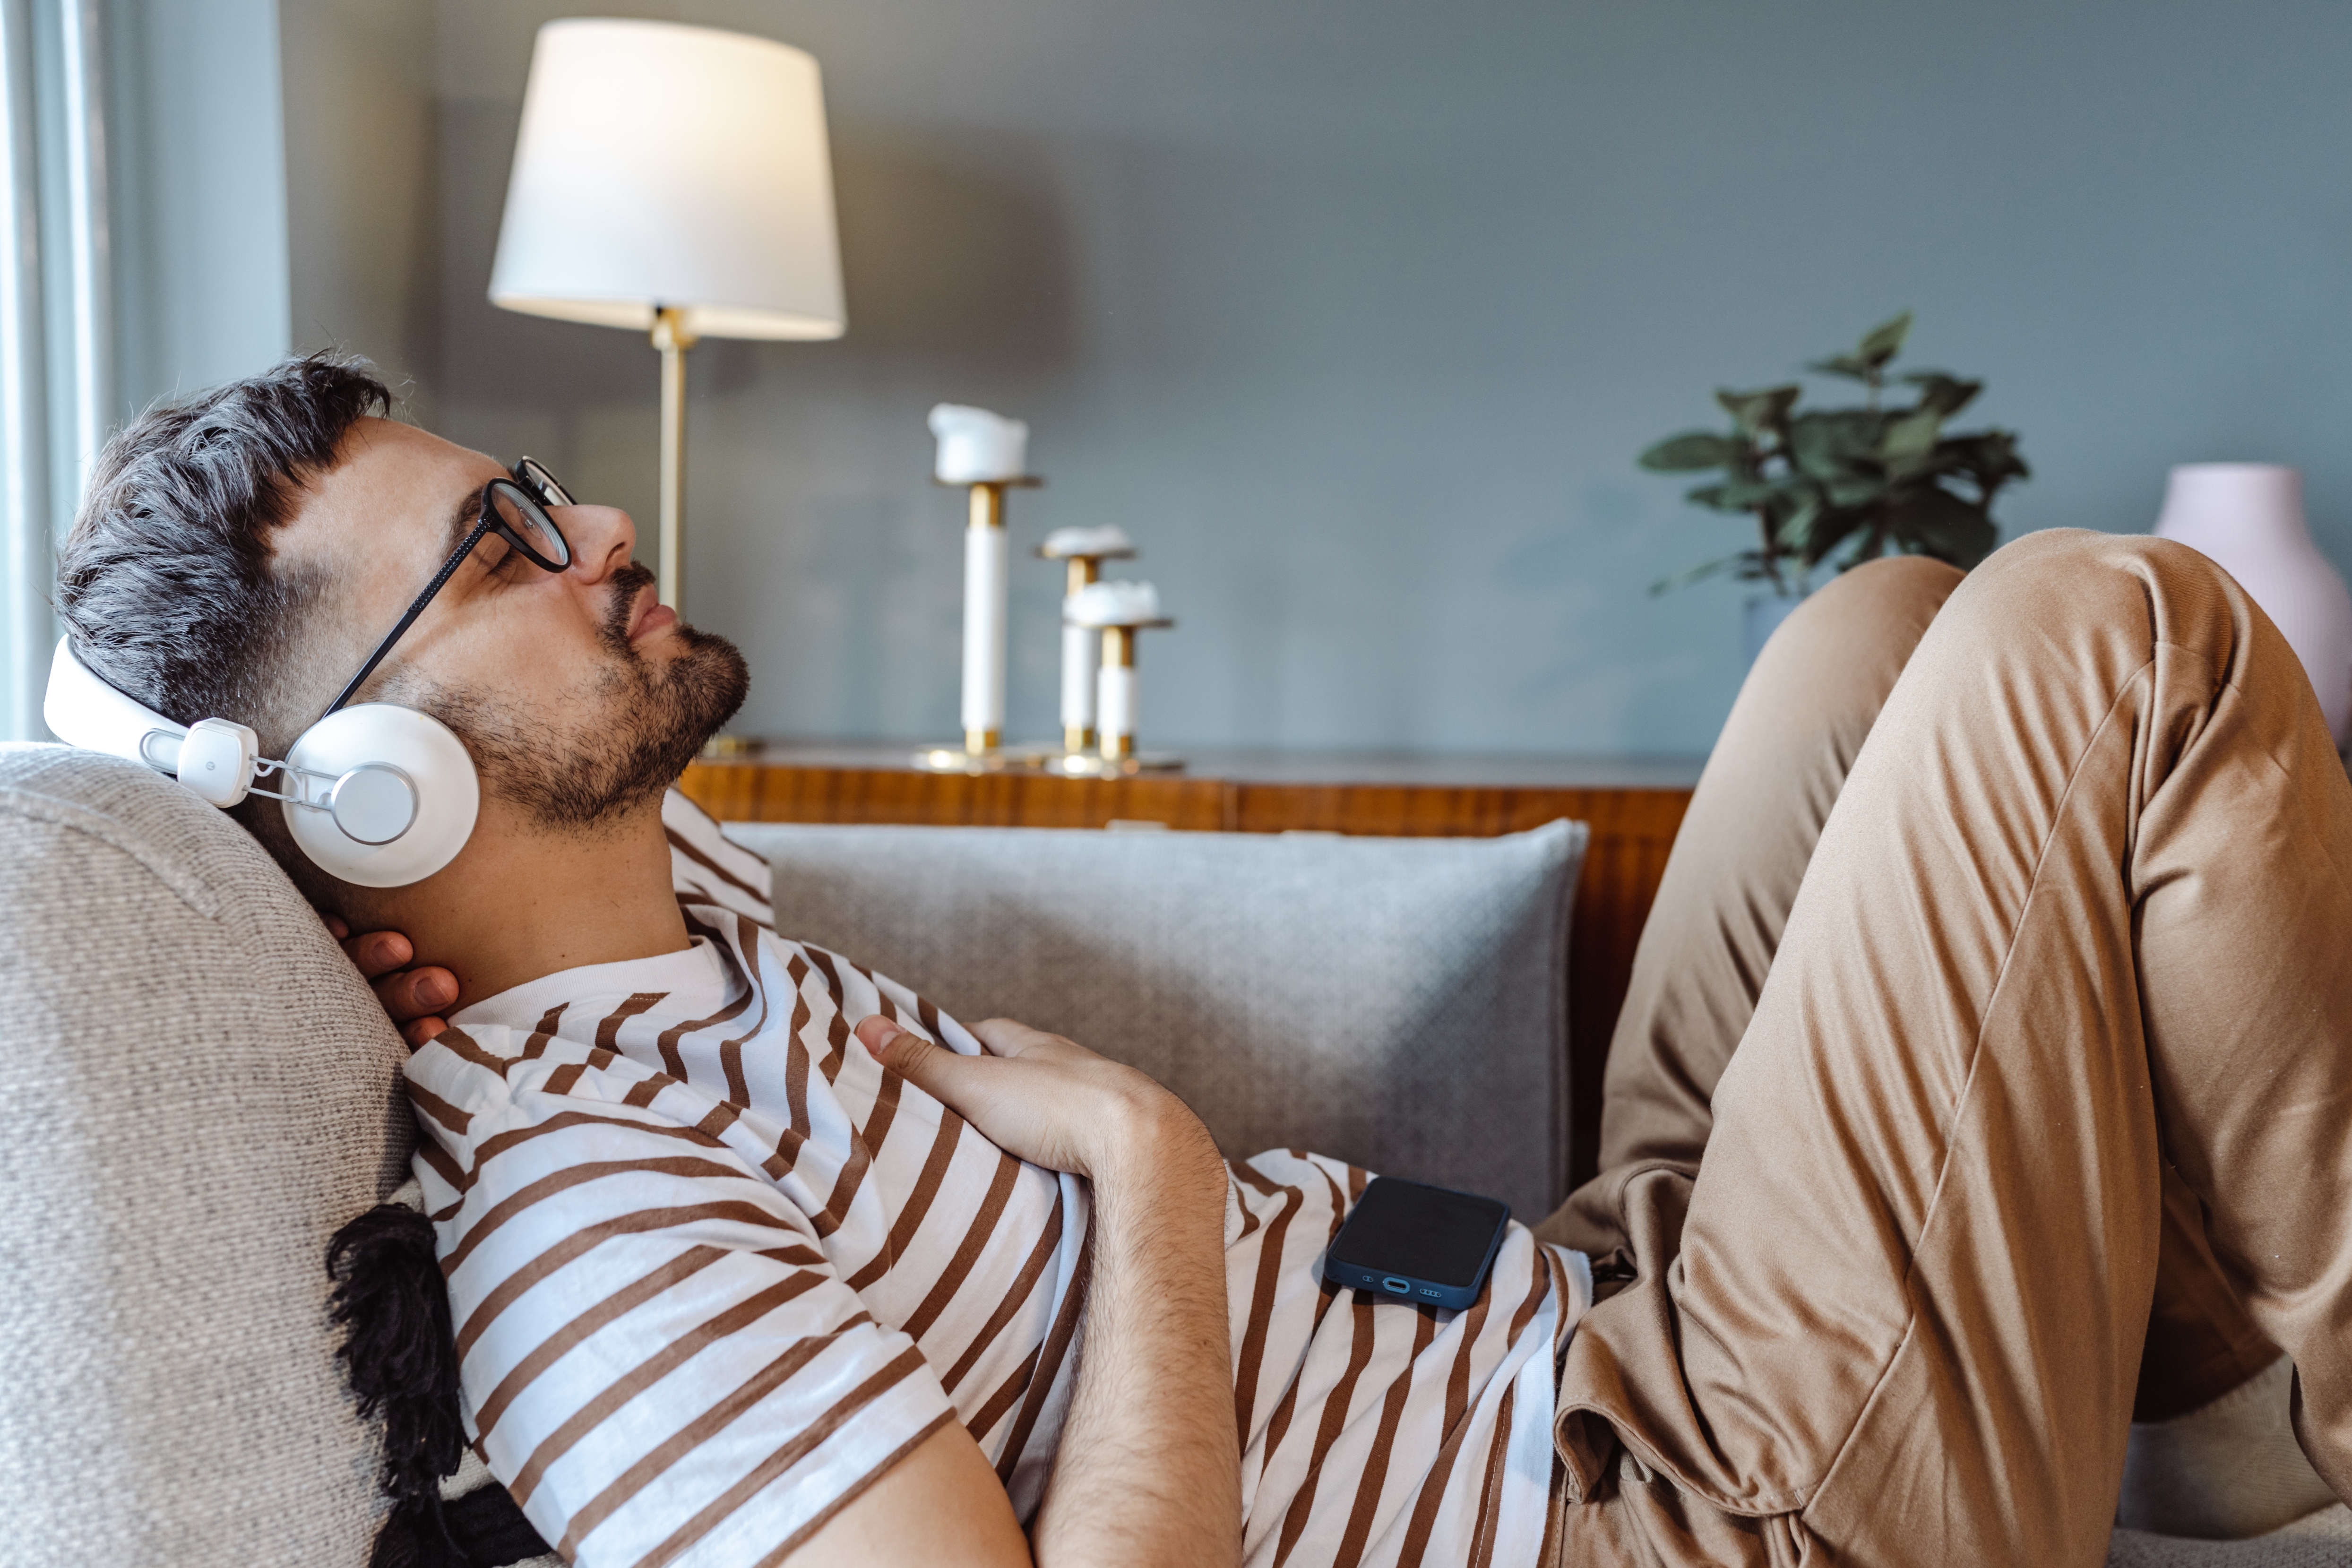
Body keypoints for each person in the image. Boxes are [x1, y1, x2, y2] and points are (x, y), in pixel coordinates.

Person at [52, 357, 2352, 1568]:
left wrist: (355, 907)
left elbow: (247, 794)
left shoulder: (652, 917)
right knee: (2112, 627)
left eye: (545, 493)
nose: (606, 527)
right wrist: (1147, 1160)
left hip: (1588, 1315)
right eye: (504, 544)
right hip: (1680, 1511)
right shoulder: (593, 1228)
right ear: (376, 786)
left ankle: (2192, 1411)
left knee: (1882, 627)